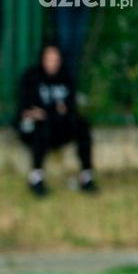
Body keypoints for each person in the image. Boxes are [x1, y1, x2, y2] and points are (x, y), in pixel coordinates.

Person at [14, 44, 95, 197]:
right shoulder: (31, 76)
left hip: (59, 127)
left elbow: (70, 109)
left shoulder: (66, 77)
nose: (52, 63)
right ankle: (36, 179)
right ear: (42, 59)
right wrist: (52, 112)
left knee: (82, 124)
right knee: (42, 126)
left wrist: (46, 112)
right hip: (32, 128)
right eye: (49, 59)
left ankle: (86, 177)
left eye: (56, 60)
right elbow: (27, 111)